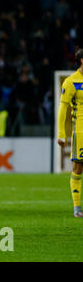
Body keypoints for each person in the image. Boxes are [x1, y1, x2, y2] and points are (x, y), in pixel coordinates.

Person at [57, 48, 83, 218]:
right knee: (78, 166)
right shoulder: (71, 82)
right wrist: (61, 133)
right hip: (80, 131)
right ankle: (77, 207)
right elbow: (63, 109)